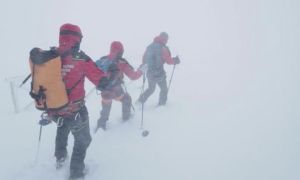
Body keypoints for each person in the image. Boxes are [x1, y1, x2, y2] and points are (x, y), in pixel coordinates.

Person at [52, 23, 109, 179]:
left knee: (62, 127)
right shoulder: (80, 58)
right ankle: (76, 173)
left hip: (54, 110)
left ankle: (60, 156)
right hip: (74, 110)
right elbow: (101, 80)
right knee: (83, 140)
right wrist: (110, 81)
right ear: (77, 39)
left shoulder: (51, 55)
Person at [95, 41, 146, 131]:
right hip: (116, 90)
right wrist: (141, 70)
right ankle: (126, 119)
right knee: (127, 99)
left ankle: (101, 126)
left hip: (104, 91)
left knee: (106, 107)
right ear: (121, 51)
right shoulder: (122, 62)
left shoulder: (103, 59)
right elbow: (133, 76)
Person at [137, 32, 180, 106]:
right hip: (159, 73)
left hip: (150, 73)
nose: (167, 41)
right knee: (164, 89)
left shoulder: (150, 46)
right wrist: (175, 60)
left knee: (151, 89)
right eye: (166, 39)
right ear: (164, 39)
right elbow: (168, 61)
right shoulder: (162, 48)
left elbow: (144, 59)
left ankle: (140, 100)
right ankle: (161, 105)